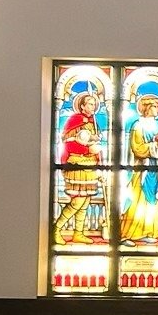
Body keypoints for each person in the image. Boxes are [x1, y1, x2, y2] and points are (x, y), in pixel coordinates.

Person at [119, 93, 158, 245]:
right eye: (154, 106)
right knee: (136, 200)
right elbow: (137, 148)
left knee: (151, 200)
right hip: (141, 169)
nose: (157, 109)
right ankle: (127, 234)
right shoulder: (138, 126)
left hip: (155, 169)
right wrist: (157, 145)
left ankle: (146, 232)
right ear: (146, 108)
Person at [54, 91, 105, 244]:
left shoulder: (94, 122)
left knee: (85, 202)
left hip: (91, 166)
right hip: (77, 164)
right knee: (77, 201)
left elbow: (95, 143)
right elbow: (68, 143)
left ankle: (79, 233)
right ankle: (56, 229)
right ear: (82, 106)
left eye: (94, 104)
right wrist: (87, 150)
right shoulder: (74, 120)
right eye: (90, 103)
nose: (93, 106)